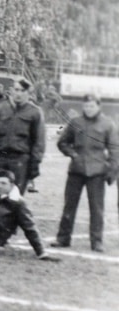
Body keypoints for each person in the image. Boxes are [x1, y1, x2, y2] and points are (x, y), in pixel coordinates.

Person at [52, 95, 117, 252]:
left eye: (92, 106)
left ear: (99, 106)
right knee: (69, 205)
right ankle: (63, 238)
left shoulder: (108, 124)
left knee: (97, 208)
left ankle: (97, 241)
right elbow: (62, 142)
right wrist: (73, 154)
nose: (88, 109)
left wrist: (112, 171)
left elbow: (115, 149)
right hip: (76, 170)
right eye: (86, 106)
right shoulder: (75, 122)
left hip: (97, 172)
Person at [0, 78, 46, 193]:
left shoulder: (35, 112)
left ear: (28, 93)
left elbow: (39, 142)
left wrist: (35, 163)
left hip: (20, 160)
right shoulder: (1, 109)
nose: (18, 93)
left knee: (15, 196)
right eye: (16, 90)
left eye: (22, 91)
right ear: (11, 91)